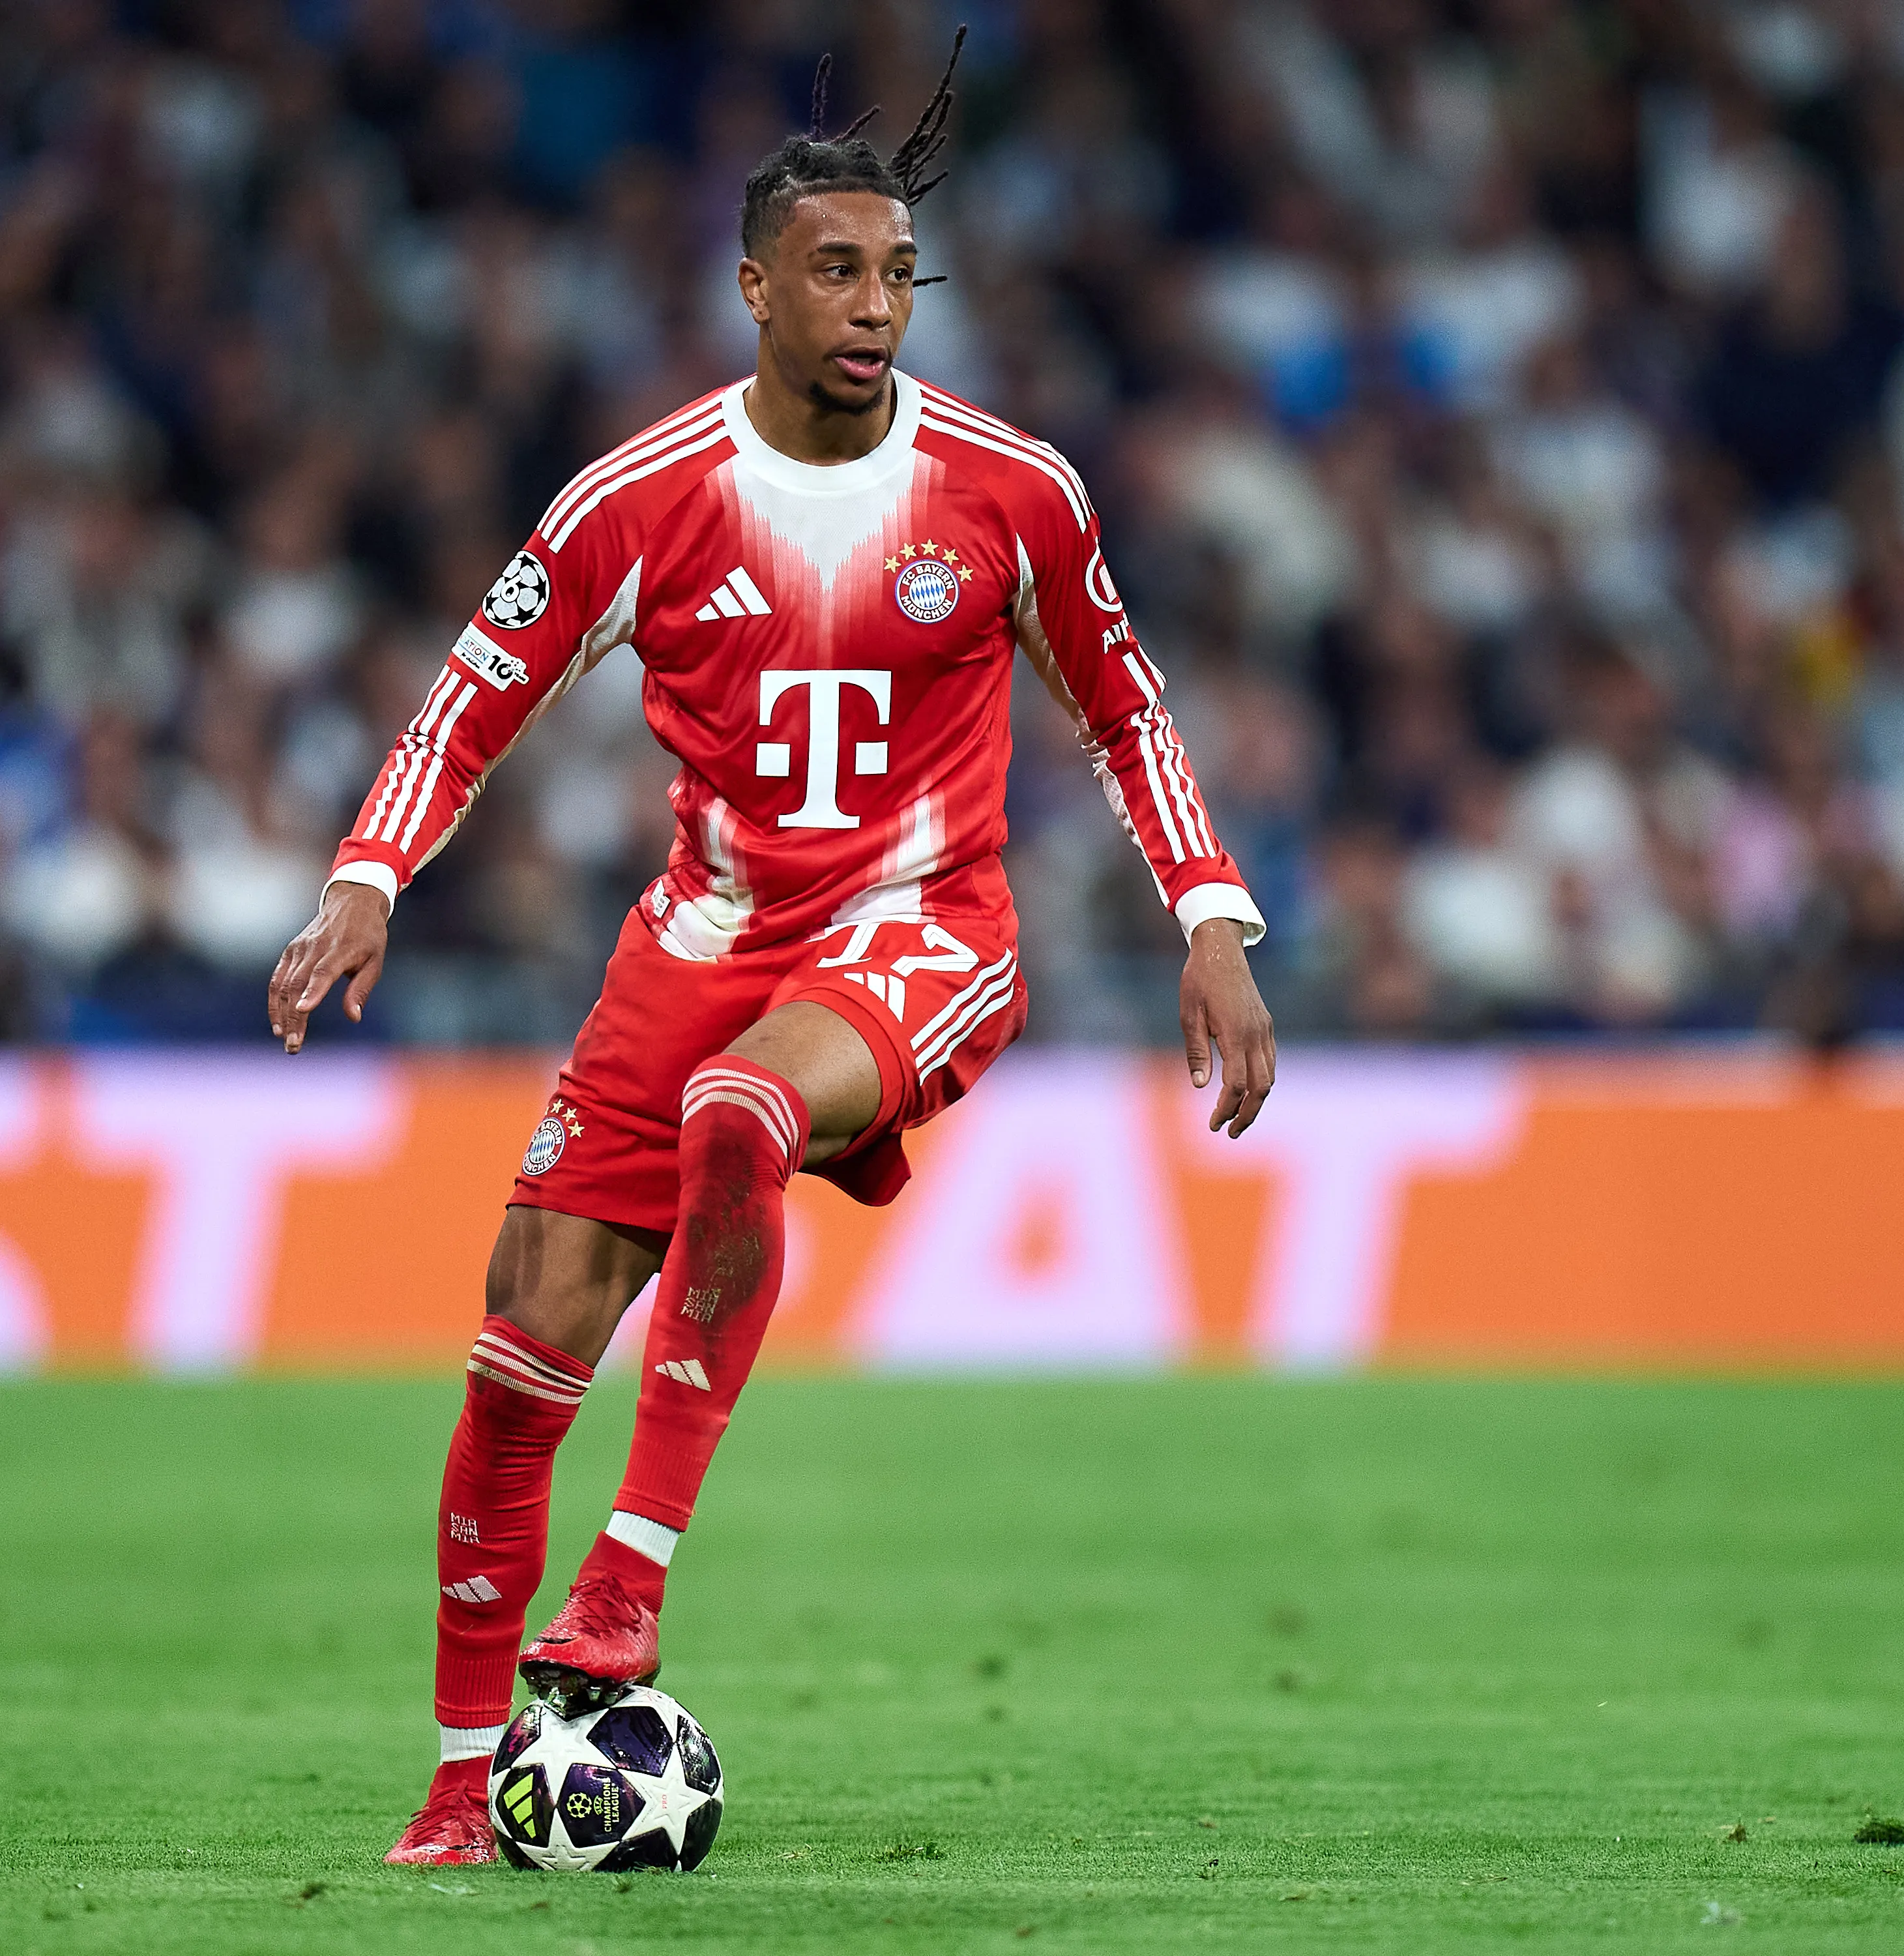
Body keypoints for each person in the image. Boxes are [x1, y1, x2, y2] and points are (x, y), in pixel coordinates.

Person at [267, 50, 1279, 1866]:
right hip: (701, 937)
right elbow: (472, 693)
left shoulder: (1011, 491)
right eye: (834, 272)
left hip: (919, 928)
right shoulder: (637, 498)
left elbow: (1123, 713)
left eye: (897, 275)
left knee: (747, 1111)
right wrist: (368, 875)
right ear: (751, 287)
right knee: (517, 1357)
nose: (874, 306)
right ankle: (449, 1791)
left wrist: (1212, 922)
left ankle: (630, 1582)